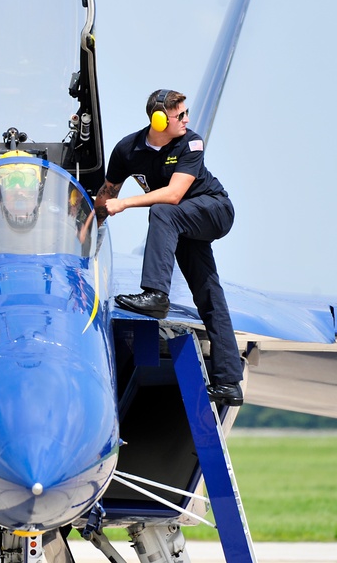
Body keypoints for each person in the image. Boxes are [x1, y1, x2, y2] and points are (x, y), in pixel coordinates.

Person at [94, 89, 244, 406]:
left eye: (186, 113)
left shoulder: (190, 142)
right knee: (209, 293)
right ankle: (228, 382)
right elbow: (106, 195)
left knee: (162, 209)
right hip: (182, 223)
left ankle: (156, 295)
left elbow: (174, 195)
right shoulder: (127, 150)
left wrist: (126, 204)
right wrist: (84, 223)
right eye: (181, 115)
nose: (187, 119)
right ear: (159, 119)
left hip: (213, 210)